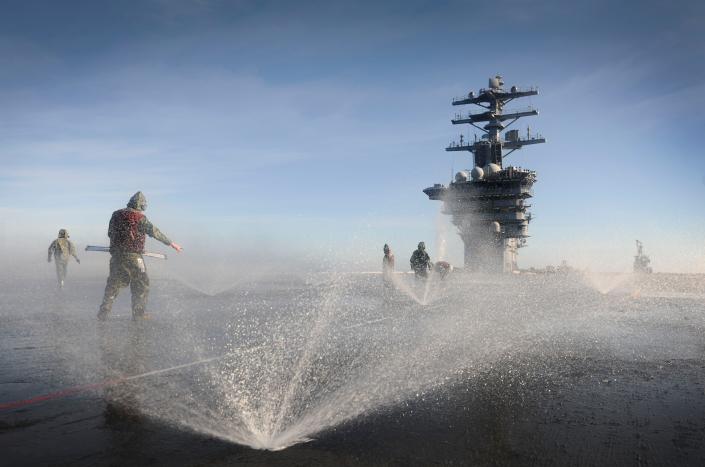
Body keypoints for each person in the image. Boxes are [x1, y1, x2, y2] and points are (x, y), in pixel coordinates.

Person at [97, 192, 182, 320]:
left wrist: (119, 246)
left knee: (113, 284)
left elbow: (110, 233)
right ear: (141, 205)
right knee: (141, 284)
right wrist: (171, 243)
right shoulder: (139, 218)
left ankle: (104, 310)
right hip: (134, 258)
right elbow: (155, 232)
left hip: (116, 257)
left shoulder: (116, 215)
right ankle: (138, 314)